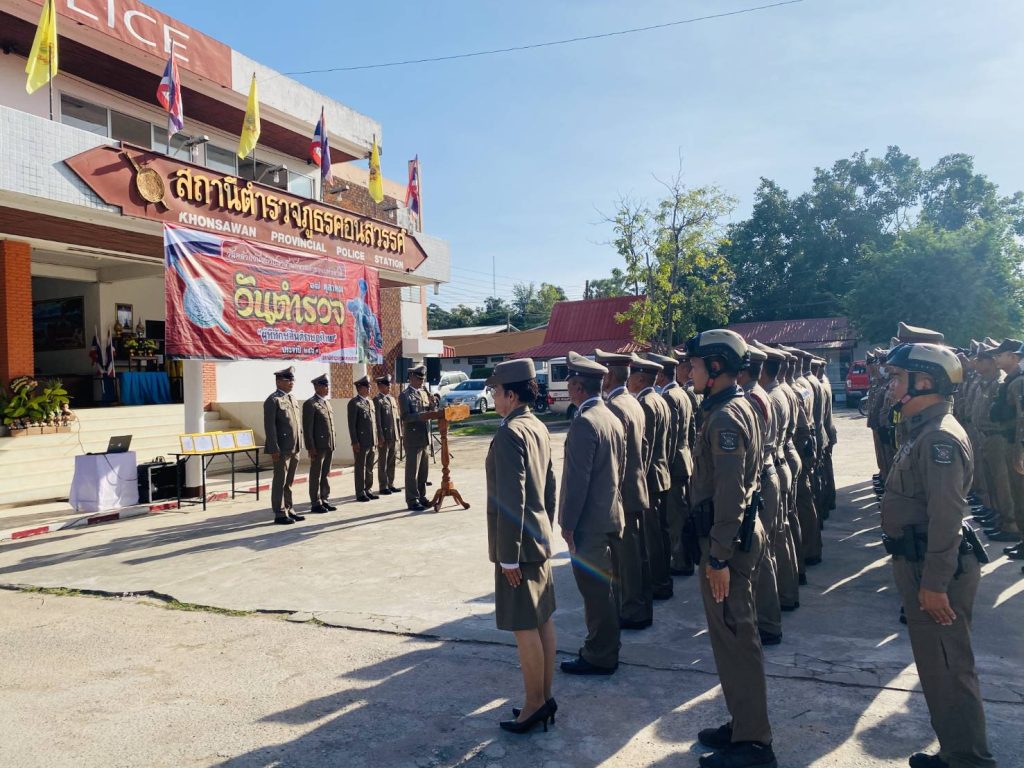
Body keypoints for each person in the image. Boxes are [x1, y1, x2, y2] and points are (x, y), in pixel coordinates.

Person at [880, 343, 995, 768]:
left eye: (898, 378)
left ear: (925, 381)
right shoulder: (923, 430)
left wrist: (934, 583)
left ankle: (967, 758)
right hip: (919, 560)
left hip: (932, 566)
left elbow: (946, 516)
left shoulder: (938, 438)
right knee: (937, 667)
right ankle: (956, 751)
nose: (891, 387)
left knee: (948, 667)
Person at [684, 330, 776, 768]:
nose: (690, 372)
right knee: (730, 638)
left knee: (737, 639)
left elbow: (731, 492)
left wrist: (718, 556)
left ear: (716, 366)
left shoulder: (725, 417)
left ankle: (754, 742)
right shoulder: (733, 407)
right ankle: (742, 723)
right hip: (731, 538)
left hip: (729, 544)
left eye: (696, 365)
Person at [485, 358, 558, 733]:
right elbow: (549, 487)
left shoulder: (511, 433)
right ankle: (543, 697)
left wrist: (508, 557)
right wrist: (545, 528)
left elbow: (512, 500)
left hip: (519, 548)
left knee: (523, 627)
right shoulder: (536, 426)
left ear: (511, 395)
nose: (494, 397)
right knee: (542, 619)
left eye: (496, 391)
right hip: (538, 538)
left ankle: (534, 704)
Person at [559, 352, 626, 675]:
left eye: (570, 384)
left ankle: (600, 654)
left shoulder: (585, 422)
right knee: (606, 590)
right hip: (609, 514)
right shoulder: (610, 416)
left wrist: (567, 524)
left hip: (589, 522)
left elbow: (577, 482)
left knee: (596, 593)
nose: (569, 390)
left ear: (577, 387)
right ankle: (606, 647)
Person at [595, 348, 653, 630]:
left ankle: (632, 610)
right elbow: (645, 447)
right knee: (636, 554)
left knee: (626, 558)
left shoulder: (615, 407)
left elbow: (615, 458)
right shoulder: (633, 402)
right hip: (636, 486)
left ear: (608, 375)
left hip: (623, 493)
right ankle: (639, 606)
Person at [738, 346, 783, 646]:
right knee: (763, 554)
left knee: (758, 557)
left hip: (761, 479)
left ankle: (766, 622)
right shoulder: (760, 394)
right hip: (767, 473)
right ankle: (768, 621)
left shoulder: (752, 398)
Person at [628, 354, 674, 600]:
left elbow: (644, 447)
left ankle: (659, 582)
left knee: (652, 537)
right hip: (662, 473)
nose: (628, 381)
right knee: (661, 533)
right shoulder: (659, 399)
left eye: (632, 376)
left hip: (651, 478)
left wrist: (640, 479)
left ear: (640, 379)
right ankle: (663, 578)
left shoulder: (646, 403)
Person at [649, 352, 696, 578]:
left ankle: (681, 561)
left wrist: (665, 464)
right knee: (681, 513)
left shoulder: (669, 397)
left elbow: (670, 435)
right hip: (684, 459)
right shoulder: (682, 394)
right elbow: (691, 430)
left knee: (675, 518)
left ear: (660, 375)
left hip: (674, 464)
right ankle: (684, 558)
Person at [989, 339, 1024, 545]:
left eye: (1000, 355)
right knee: (1016, 493)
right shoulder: (1013, 381)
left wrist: (1020, 452)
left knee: (1019, 494)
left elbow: (1021, 419)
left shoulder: (1019, 382)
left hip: (1016, 443)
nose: (996, 358)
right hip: (1012, 440)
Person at [264, 366, 305, 525]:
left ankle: (289, 508)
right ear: (278, 381)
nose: (291, 383)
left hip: (294, 447)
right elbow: (270, 427)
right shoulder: (273, 400)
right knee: (280, 480)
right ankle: (279, 513)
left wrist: (300, 443)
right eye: (288, 380)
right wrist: (274, 448)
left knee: (289, 481)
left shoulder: (292, 398)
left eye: (292, 380)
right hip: (281, 448)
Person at [400, 364, 434, 511]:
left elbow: (430, 411)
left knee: (423, 471)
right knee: (412, 472)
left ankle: (421, 496)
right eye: (419, 379)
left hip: (424, 437)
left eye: (423, 379)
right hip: (413, 439)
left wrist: (432, 404)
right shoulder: (405, 395)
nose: (422, 381)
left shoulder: (423, 394)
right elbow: (405, 417)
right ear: (412, 378)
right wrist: (421, 416)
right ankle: (412, 499)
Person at [302, 373, 337, 514]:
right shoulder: (310, 404)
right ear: (317, 387)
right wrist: (310, 447)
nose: (327, 388)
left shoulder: (326, 403)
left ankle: (324, 499)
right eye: (324, 386)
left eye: (327, 385)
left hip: (329, 444)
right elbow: (308, 428)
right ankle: (315, 502)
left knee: (325, 473)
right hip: (317, 446)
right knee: (316, 474)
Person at [347, 375, 378, 502]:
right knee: (360, 468)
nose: (369, 388)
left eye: (369, 386)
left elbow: (374, 423)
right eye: (367, 386)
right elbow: (352, 425)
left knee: (369, 467)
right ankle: (360, 492)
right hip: (361, 442)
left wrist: (376, 439)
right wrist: (354, 441)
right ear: (360, 388)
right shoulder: (354, 403)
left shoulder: (370, 402)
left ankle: (368, 489)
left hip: (371, 441)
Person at [374, 374, 401, 495]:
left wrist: (399, 433)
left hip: (394, 435)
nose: (389, 386)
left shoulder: (392, 399)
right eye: (387, 384)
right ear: (380, 386)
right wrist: (380, 436)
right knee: (383, 462)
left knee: (392, 461)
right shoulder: (377, 400)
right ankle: (383, 486)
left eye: (389, 384)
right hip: (384, 436)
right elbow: (378, 420)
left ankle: (391, 483)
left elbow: (397, 418)